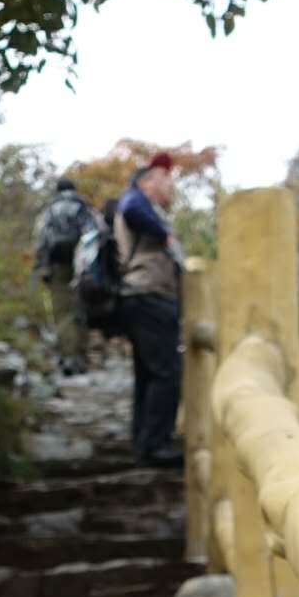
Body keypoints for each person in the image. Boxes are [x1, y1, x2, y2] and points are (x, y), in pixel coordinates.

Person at [115, 152, 184, 468]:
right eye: (165, 178)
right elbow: (130, 210)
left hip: (141, 297)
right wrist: (162, 232)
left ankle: (144, 442)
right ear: (149, 181)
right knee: (165, 372)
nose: (170, 185)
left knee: (148, 373)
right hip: (149, 295)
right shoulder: (136, 200)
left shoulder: (142, 204)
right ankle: (156, 445)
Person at [33, 176, 94, 375]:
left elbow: (41, 240)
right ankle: (81, 357)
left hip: (57, 267)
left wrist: (42, 266)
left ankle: (67, 359)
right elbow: (95, 237)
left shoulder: (49, 210)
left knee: (61, 313)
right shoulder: (84, 208)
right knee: (80, 311)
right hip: (82, 268)